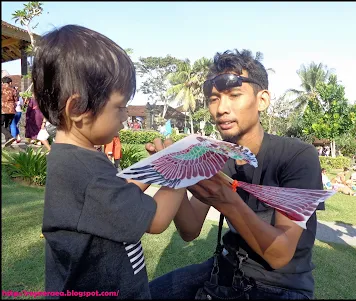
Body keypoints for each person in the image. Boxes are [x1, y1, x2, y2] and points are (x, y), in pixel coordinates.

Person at [147, 49, 325, 299]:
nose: (221, 108)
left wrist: (225, 200)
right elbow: (189, 230)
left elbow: (280, 254)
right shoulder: (218, 157)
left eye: (234, 95)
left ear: (262, 100)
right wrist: (178, 173)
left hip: (281, 284)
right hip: (224, 270)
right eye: (213, 99)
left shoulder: (296, 157)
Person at [33, 24, 187, 298]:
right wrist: (181, 170)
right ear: (79, 108)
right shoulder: (84, 171)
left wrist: (153, 168)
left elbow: (117, 192)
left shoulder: (77, 159)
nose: (125, 116)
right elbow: (156, 220)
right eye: (120, 106)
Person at [1, 76, 17, 146]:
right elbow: (16, 100)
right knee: (8, 125)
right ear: (10, 83)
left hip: (3, 110)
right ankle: (8, 144)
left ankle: (9, 137)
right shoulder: (13, 90)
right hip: (12, 110)